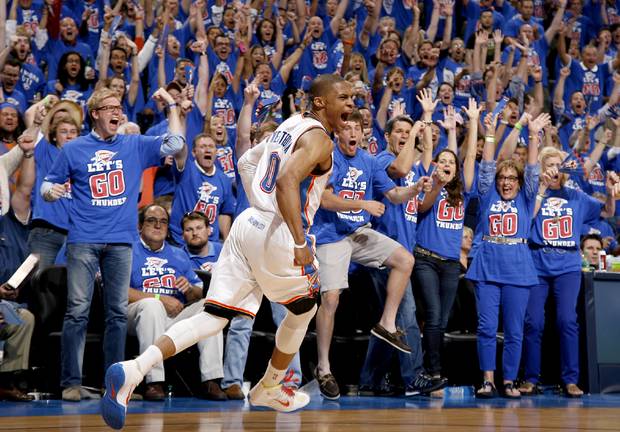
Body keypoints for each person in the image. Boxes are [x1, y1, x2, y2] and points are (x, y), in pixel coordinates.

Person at [101, 73, 354, 430]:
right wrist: (299, 242)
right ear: (320, 102)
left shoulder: (291, 124)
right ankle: (270, 385)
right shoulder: (320, 140)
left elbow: (246, 162)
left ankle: (134, 369)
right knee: (305, 307)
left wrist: (259, 205)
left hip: (248, 224)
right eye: (344, 97)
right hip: (278, 232)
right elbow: (286, 181)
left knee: (213, 317)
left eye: (353, 98)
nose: (351, 103)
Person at [41, 87, 185, 401]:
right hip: (83, 240)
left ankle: (115, 385)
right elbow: (47, 184)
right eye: (109, 108)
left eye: (119, 107)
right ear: (95, 113)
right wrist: (52, 192)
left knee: (118, 314)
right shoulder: (74, 148)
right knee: (77, 311)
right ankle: (71, 383)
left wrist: (172, 106)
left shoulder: (134, 144)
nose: (117, 112)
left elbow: (176, 144)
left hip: (121, 241)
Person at [312, 110, 429, 400]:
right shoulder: (328, 157)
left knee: (405, 260)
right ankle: (324, 367)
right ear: (337, 132)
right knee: (331, 298)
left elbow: (394, 195)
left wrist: (415, 188)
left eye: (358, 128)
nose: (353, 132)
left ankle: (387, 323)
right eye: (347, 127)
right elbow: (325, 200)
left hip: (358, 233)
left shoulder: (369, 160)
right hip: (331, 234)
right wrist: (362, 204)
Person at [520, 146, 620, 398]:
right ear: (541, 169)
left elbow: (607, 212)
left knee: (567, 320)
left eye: (559, 164)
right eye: (549, 165)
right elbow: (524, 219)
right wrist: (541, 189)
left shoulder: (576, 196)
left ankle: (571, 379)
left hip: (567, 265)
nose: (555, 169)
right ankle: (530, 378)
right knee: (533, 322)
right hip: (537, 261)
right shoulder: (533, 193)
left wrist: (610, 194)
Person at [466, 113, 548, 399]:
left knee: (514, 330)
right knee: (487, 327)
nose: (506, 182)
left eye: (512, 178)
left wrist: (533, 135)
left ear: (519, 182)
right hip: (487, 268)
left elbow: (534, 169)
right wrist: (489, 132)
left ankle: (509, 381)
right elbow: (487, 166)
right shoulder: (488, 195)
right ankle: (488, 380)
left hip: (518, 270)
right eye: (502, 178)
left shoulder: (527, 198)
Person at [127, 204, 225, 401]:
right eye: (151, 221)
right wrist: (159, 298)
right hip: (137, 315)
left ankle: (211, 380)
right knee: (152, 306)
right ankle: (154, 381)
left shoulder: (178, 254)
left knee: (210, 305)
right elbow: (118, 291)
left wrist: (189, 289)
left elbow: (198, 292)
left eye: (163, 222)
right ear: (140, 225)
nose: (158, 226)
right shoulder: (128, 251)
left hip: (174, 316)